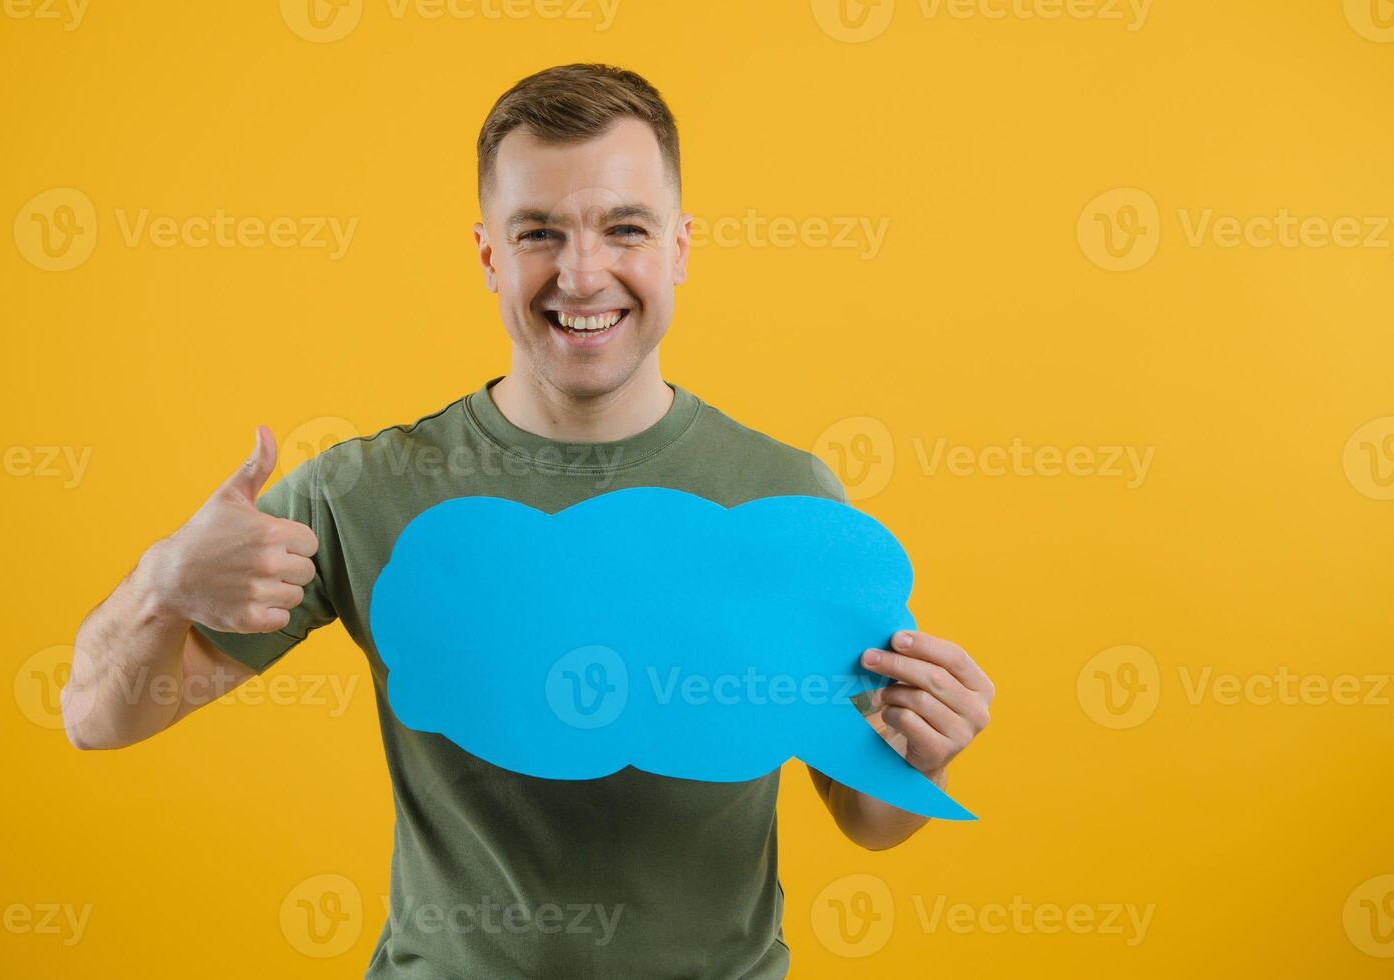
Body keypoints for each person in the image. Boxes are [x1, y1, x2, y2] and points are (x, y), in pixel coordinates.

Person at [63, 63, 995, 979]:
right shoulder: (359, 494)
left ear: (678, 248)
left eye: (624, 228)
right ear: (488, 256)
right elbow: (98, 720)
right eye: (538, 232)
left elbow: (867, 816)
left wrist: (924, 754)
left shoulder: (789, 497)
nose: (582, 275)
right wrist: (158, 585)